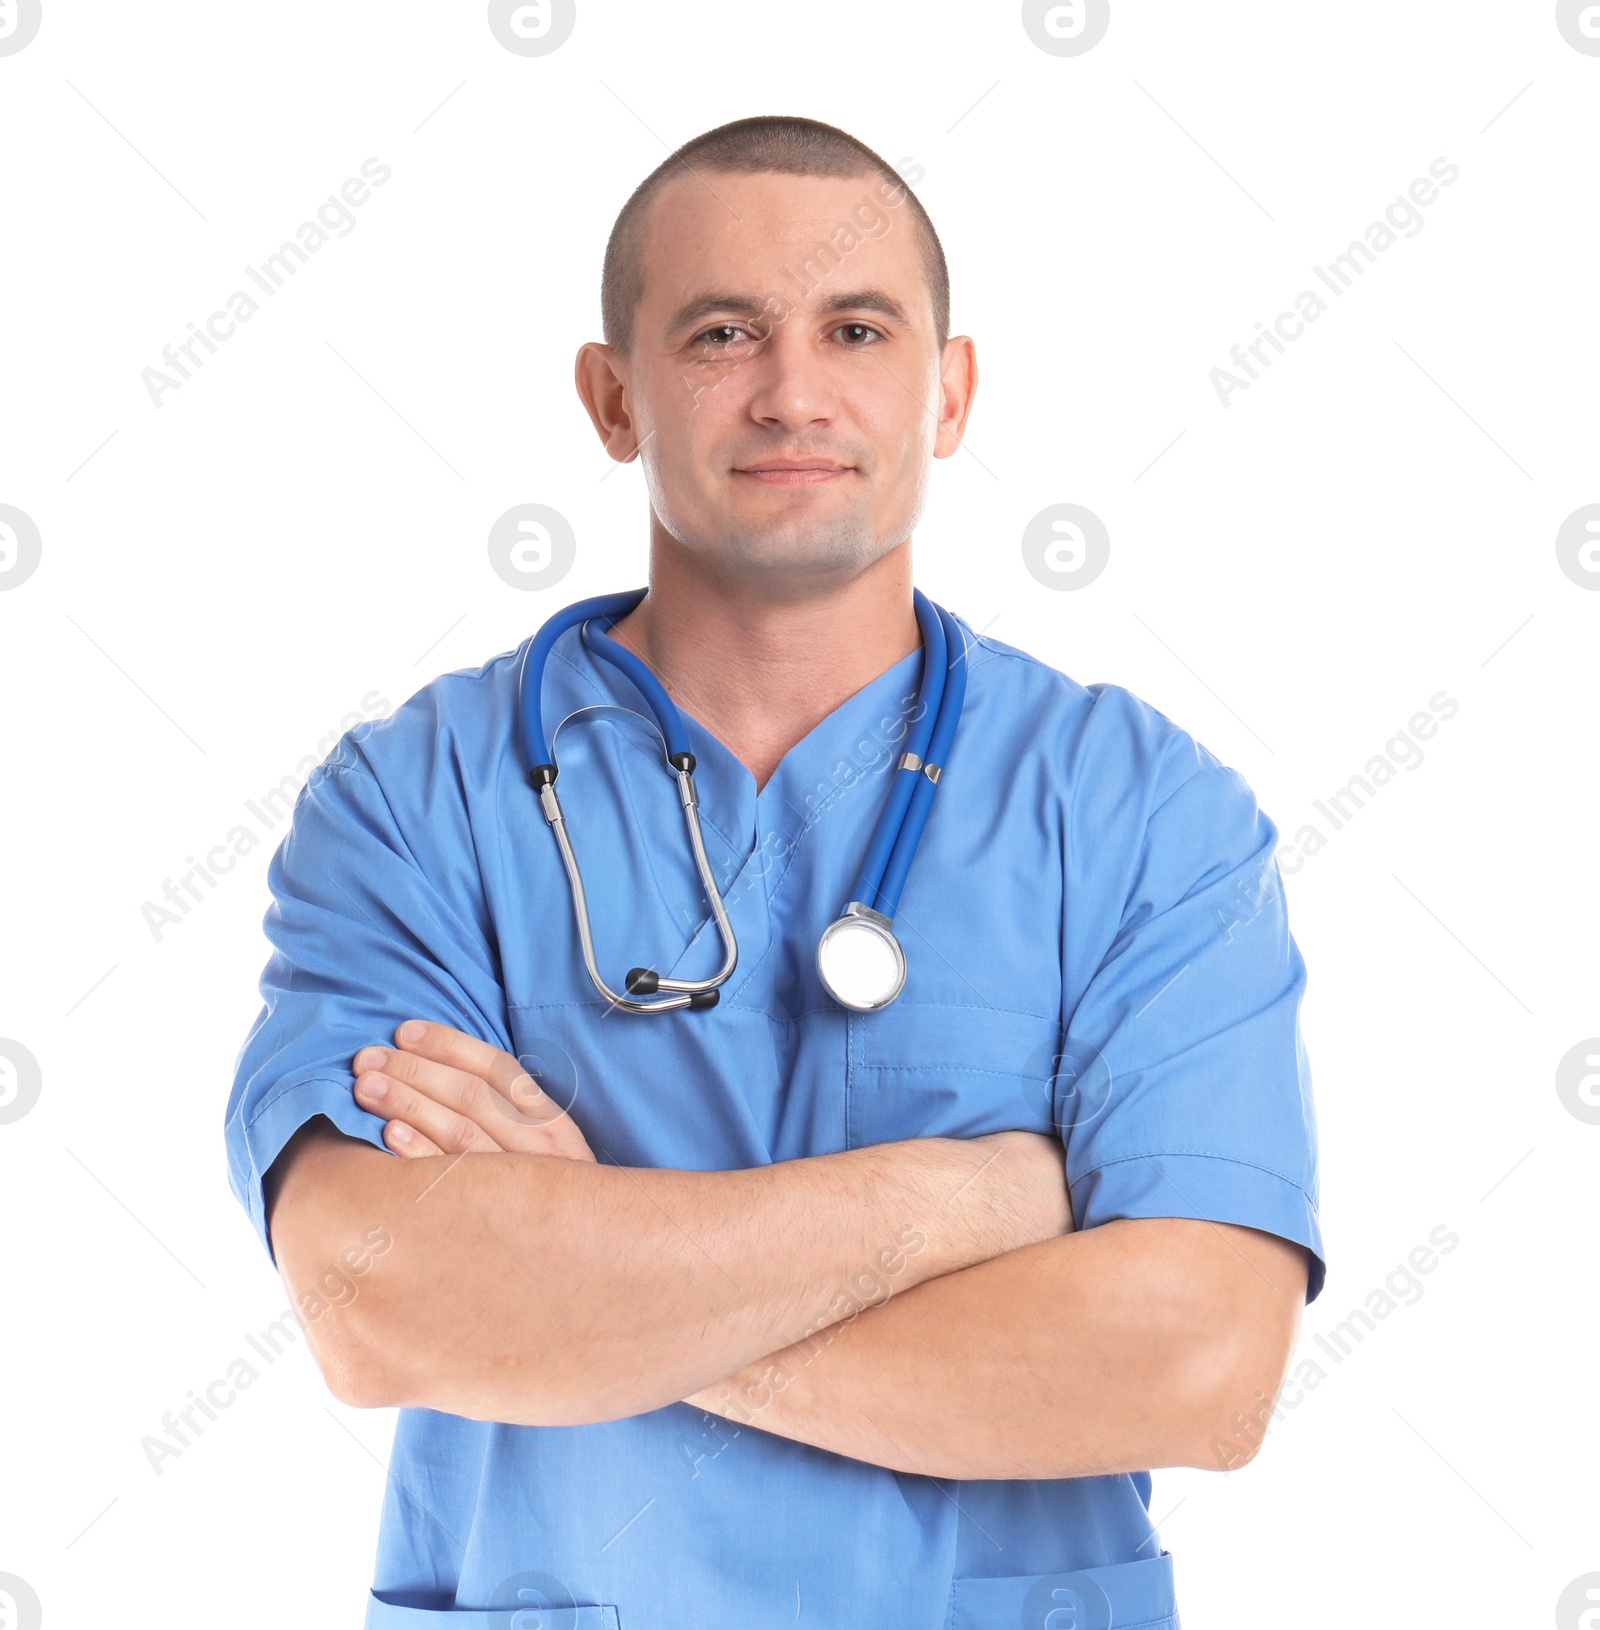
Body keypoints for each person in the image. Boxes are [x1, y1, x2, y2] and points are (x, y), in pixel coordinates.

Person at [225, 114, 1324, 1630]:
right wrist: (959, 1204)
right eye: (723, 332)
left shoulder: (1141, 811)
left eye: (856, 329)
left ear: (950, 393)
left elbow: (1199, 1373)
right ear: (615, 398)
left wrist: (588, 1286)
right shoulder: (420, 801)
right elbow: (381, 1302)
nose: (794, 390)